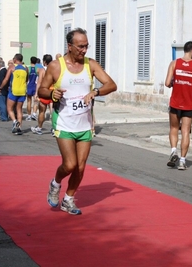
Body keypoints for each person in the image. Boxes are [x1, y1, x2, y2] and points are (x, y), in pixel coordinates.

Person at [38, 28, 117, 215]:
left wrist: (95, 92)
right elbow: (41, 90)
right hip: (64, 122)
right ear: (70, 46)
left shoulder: (91, 65)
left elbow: (111, 84)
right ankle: (55, 183)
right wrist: (51, 93)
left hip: (84, 124)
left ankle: (68, 199)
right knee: (70, 164)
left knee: (81, 167)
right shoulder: (56, 66)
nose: (84, 50)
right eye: (81, 46)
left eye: (86, 46)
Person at [164, 41, 192, 170]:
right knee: (186, 131)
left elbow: (167, 83)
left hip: (175, 102)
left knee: (174, 128)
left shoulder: (174, 63)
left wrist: (173, 83)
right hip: (189, 104)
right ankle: (182, 161)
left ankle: (173, 151)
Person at [0, 54, 28, 135]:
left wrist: (0, 88)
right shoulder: (25, 68)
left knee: (9, 109)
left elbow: (6, 79)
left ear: (15, 59)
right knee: (19, 110)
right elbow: (27, 79)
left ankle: (15, 122)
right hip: (22, 91)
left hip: (13, 90)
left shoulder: (12, 67)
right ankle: (19, 128)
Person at [31, 54, 53, 135]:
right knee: (53, 111)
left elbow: (39, 82)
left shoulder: (42, 70)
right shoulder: (54, 69)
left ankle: (39, 127)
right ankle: (54, 129)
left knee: (42, 111)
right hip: (52, 92)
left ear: (44, 62)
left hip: (44, 92)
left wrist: (36, 93)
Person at [26, 56, 39, 121]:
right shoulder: (38, 69)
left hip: (29, 86)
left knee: (29, 101)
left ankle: (29, 115)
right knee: (35, 101)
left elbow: (26, 78)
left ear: (30, 61)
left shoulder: (28, 69)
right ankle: (34, 113)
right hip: (35, 85)